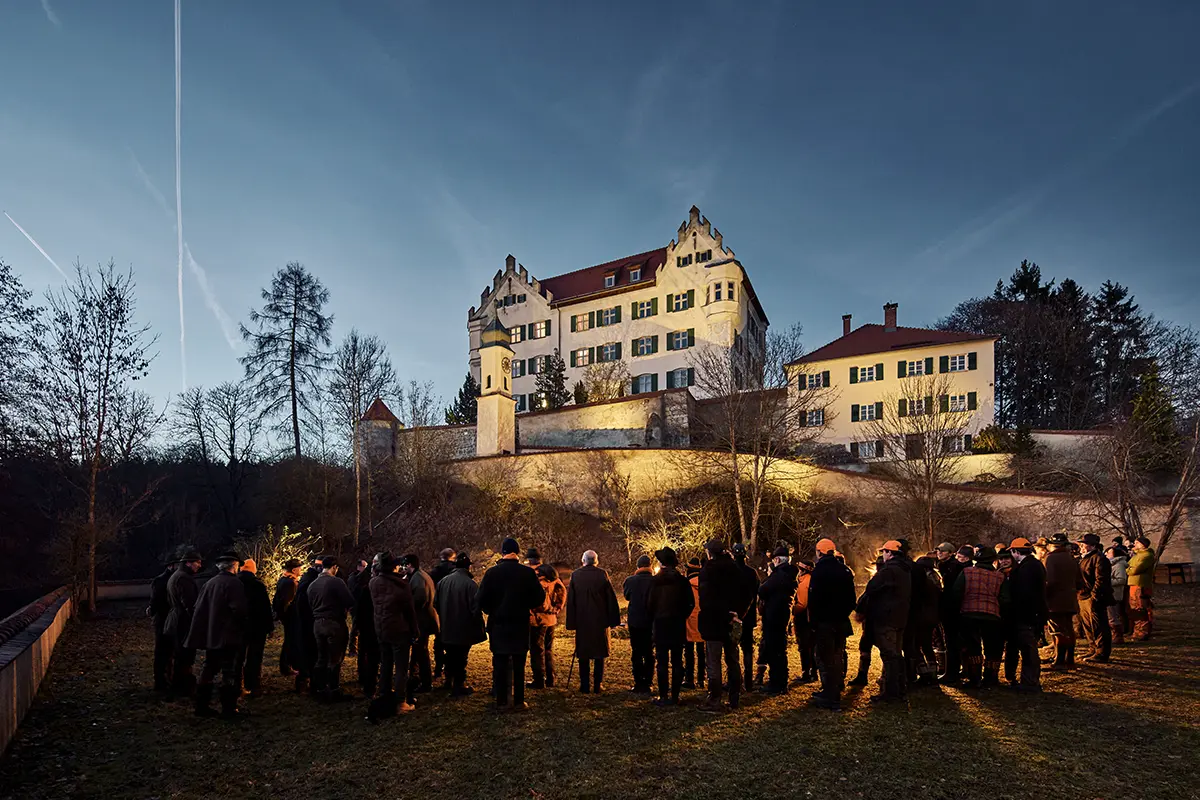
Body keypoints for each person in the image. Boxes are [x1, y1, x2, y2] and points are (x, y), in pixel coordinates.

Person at [477, 537, 546, 711]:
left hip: (498, 623)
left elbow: (480, 599)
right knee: (519, 662)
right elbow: (539, 597)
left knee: (500, 662)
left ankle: (501, 700)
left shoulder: (492, 573)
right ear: (518, 552)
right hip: (520, 623)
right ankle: (518, 701)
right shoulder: (527, 573)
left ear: (503, 553)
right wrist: (526, 604)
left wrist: (491, 609)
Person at [185, 550, 248, 719]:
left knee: (209, 668)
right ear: (235, 566)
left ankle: (202, 705)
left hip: (212, 635)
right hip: (228, 636)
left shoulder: (210, 583)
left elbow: (199, 608)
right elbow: (240, 610)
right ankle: (229, 708)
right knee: (229, 671)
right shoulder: (234, 584)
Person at [698, 539, 754, 712]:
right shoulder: (735, 570)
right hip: (731, 620)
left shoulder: (708, 570)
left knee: (713, 662)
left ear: (710, 553)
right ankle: (734, 698)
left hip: (713, 621)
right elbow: (747, 594)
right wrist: (738, 613)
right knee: (733, 660)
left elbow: (706, 598)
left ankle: (714, 700)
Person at [855, 540, 911, 704]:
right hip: (900, 618)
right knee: (896, 654)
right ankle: (900, 689)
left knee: (889, 656)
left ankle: (891, 693)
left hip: (886, 618)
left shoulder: (889, 570)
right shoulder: (905, 570)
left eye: (884, 552)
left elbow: (872, 587)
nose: (883, 555)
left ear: (890, 553)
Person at [806, 538, 856, 712]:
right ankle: (832, 691)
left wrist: (813, 623)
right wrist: (842, 614)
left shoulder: (819, 571)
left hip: (824, 624)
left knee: (826, 659)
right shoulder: (845, 570)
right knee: (837, 656)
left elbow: (813, 601)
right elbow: (852, 600)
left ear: (819, 552)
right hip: (841, 622)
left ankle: (830, 696)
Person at [369, 552, 418, 720]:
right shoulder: (401, 585)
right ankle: (400, 702)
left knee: (386, 664)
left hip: (381, 628)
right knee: (401, 668)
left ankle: (383, 694)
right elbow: (409, 611)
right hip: (399, 630)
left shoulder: (374, 583)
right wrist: (415, 631)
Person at [566, 550, 621, 694]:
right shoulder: (602, 574)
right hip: (599, 620)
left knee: (583, 653)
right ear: (596, 561)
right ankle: (598, 684)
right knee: (599, 653)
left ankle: (585, 685)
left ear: (583, 560)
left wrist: (571, 622)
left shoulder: (576, 575)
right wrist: (613, 619)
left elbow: (571, 601)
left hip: (582, 620)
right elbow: (610, 598)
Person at [951, 546, 1006, 689]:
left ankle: (974, 678)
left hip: (969, 614)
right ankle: (991, 678)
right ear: (993, 560)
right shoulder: (1000, 577)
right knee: (992, 648)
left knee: (972, 647)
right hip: (992, 615)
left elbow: (957, 593)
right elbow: (1005, 599)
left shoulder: (967, 572)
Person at [647, 547, 694, 706]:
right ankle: (675, 695)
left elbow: (649, 604)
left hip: (660, 625)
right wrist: (681, 616)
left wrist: (655, 616)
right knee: (677, 661)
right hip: (677, 625)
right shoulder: (682, 581)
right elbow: (690, 604)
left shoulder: (655, 581)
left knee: (661, 661)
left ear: (661, 563)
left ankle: (663, 695)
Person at [435, 552, 486, 697]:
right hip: (463, 628)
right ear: (467, 568)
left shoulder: (442, 582)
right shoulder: (470, 584)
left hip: (446, 627)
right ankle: (459, 685)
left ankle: (448, 681)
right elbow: (475, 608)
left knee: (450, 655)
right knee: (461, 657)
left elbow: (435, 603)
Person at [307, 556, 356, 700]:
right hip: (334, 623)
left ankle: (318, 687)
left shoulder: (313, 584)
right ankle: (334, 689)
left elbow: (310, 603)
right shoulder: (336, 582)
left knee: (321, 657)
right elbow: (350, 600)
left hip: (317, 623)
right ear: (334, 567)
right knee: (335, 658)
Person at [1007, 537, 1047, 692]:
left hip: (1026, 615)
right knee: (1028, 648)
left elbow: (1024, 594)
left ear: (1016, 552)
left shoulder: (1026, 568)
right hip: (1033, 613)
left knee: (1028, 649)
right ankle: (1029, 680)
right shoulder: (1034, 565)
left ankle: (1030, 682)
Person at [757, 545, 798, 694]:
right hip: (782, 615)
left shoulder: (779, 575)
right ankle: (780, 682)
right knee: (780, 650)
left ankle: (776, 684)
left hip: (774, 616)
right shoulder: (789, 574)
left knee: (775, 651)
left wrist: (770, 575)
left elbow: (762, 589)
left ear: (777, 559)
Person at [164, 548, 202, 697]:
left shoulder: (176, 576)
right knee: (184, 655)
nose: (199, 565)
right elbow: (189, 603)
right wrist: (196, 621)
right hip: (182, 622)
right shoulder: (184, 579)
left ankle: (179, 684)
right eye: (197, 563)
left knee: (180, 655)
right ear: (188, 563)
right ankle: (183, 686)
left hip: (175, 619)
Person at [400, 554, 440, 693]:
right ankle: (417, 678)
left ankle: (426, 682)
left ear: (410, 565)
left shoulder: (418, 579)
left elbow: (419, 599)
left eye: (405, 565)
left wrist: (409, 612)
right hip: (426, 619)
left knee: (422, 652)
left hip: (422, 621)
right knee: (420, 651)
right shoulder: (422, 575)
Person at [1044, 533, 1083, 670]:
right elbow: (1079, 581)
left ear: (1052, 545)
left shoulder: (1051, 559)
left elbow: (1050, 581)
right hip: (1070, 600)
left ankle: (1060, 661)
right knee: (1069, 629)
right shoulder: (1071, 559)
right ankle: (1069, 659)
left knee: (1057, 631)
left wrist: (1044, 596)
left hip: (1055, 602)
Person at [237, 558, 274, 697]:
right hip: (257, 627)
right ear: (253, 569)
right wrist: (269, 627)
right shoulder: (257, 585)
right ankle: (253, 684)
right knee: (255, 656)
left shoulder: (234, 583)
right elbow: (265, 608)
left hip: (239, 626)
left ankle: (237, 683)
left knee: (238, 656)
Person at [933, 542, 968, 684]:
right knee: (950, 641)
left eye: (943, 551)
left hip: (952, 609)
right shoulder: (944, 566)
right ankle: (954, 670)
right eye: (938, 551)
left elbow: (951, 590)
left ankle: (952, 672)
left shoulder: (954, 567)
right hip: (948, 608)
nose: (939, 553)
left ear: (950, 553)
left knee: (951, 641)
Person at [1076, 533, 1113, 664]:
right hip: (1083, 595)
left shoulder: (1099, 558)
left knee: (1099, 626)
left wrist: (1094, 596)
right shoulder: (1083, 558)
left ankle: (1102, 652)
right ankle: (1093, 649)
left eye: (1083, 544)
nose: (1081, 546)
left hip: (1093, 597)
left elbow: (1101, 580)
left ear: (1092, 545)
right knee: (1088, 626)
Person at [848, 554, 884, 688]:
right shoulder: (882, 580)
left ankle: (871, 676)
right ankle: (863, 676)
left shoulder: (878, 581)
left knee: (881, 650)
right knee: (866, 648)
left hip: (876, 622)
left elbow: (865, 598)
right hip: (875, 622)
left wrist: (860, 611)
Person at [528, 563, 566, 689]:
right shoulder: (555, 579)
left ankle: (539, 680)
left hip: (539, 620)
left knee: (537, 651)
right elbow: (562, 592)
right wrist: (556, 608)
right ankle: (550, 678)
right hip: (551, 620)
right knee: (548, 650)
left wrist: (534, 610)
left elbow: (541, 603)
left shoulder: (539, 582)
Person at [623, 555, 657, 693]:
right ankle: (648, 681)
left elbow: (626, 596)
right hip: (651, 621)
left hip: (635, 621)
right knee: (649, 652)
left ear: (637, 566)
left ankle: (638, 682)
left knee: (636, 652)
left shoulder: (630, 581)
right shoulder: (655, 581)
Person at [908, 555, 943, 688]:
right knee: (927, 645)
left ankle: (924, 675)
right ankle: (933, 675)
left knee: (915, 646)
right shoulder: (935, 582)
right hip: (932, 618)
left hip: (919, 619)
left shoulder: (919, 583)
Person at [147, 551, 178, 691]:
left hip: (163, 618)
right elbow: (156, 601)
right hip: (166, 618)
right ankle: (162, 680)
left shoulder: (161, 580)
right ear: (172, 566)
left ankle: (163, 680)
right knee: (165, 651)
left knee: (164, 651)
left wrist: (152, 611)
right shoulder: (167, 580)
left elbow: (154, 602)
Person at [731, 543, 760, 691]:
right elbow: (757, 591)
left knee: (732, 648)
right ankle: (748, 682)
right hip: (748, 617)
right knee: (748, 649)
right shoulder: (752, 572)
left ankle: (735, 681)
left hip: (732, 617)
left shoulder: (730, 572)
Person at [294, 556, 323, 693]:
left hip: (304, 621)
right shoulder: (311, 581)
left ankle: (305, 680)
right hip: (308, 621)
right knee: (309, 651)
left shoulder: (306, 579)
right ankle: (306, 681)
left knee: (307, 650)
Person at [429, 547, 457, 681]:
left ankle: (438, 668)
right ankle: (450, 670)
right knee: (452, 642)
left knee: (439, 640)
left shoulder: (435, 572)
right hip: (453, 609)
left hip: (439, 608)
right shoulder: (455, 570)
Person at [353, 557, 380, 697]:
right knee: (374, 657)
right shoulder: (369, 589)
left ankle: (367, 683)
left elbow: (359, 609)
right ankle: (371, 683)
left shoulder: (365, 588)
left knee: (368, 655)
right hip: (374, 627)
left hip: (367, 626)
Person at [273, 559, 304, 678]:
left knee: (289, 640)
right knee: (290, 641)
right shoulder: (291, 583)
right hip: (291, 617)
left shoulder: (283, 580)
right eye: (299, 568)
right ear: (294, 570)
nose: (301, 570)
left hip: (288, 617)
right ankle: (287, 666)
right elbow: (287, 602)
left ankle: (288, 665)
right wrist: (288, 616)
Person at [1126, 537, 1156, 640]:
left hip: (1141, 584)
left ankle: (1143, 632)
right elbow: (1128, 566)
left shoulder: (1147, 556)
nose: (1134, 545)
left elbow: (1134, 570)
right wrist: (1129, 569)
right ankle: (1137, 630)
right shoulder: (1136, 556)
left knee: (1141, 607)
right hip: (1133, 584)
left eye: (1137, 543)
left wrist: (1128, 570)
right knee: (1134, 608)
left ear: (1143, 544)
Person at [791, 558, 815, 684]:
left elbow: (801, 603)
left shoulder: (805, 582)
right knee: (810, 645)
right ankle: (812, 671)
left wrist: (791, 611)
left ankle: (807, 672)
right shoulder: (808, 580)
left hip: (803, 618)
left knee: (805, 645)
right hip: (809, 617)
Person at [683, 558, 705, 690]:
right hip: (703, 620)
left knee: (689, 651)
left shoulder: (687, 585)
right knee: (702, 651)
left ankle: (689, 678)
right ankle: (702, 678)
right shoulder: (706, 583)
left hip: (689, 620)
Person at [346, 558, 369, 657]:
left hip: (359, 605)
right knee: (355, 627)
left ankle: (356, 648)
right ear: (359, 567)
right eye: (364, 566)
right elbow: (354, 591)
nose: (365, 569)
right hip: (356, 605)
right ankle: (352, 649)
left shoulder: (359, 578)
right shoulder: (353, 578)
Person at [1107, 545, 1130, 645]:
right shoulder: (1111, 564)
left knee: (1114, 616)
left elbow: (1121, 580)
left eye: (1109, 553)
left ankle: (1118, 636)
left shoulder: (1119, 565)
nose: (1107, 554)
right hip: (1111, 592)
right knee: (1111, 615)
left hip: (1115, 593)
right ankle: (1114, 635)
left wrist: (1107, 581)